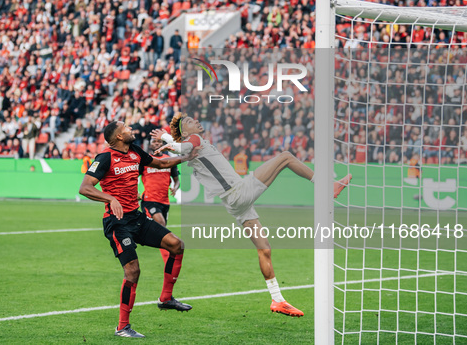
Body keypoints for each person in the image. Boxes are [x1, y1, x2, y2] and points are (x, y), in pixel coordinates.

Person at [151, 113, 353, 317]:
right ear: (185, 132)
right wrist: (170, 142)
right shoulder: (193, 141)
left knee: (264, 249)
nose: (194, 121)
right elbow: (184, 147)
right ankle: (329, 187)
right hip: (238, 193)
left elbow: (182, 151)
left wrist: (168, 141)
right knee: (285, 157)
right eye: (188, 122)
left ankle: (277, 300)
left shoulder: (193, 145)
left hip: (234, 203)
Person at [79, 121, 196, 339]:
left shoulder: (135, 152)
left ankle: (166, 299)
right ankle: (122, 327)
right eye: (126, 128)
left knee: (176, 245)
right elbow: (85, 187)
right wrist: (110, 198)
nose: (130, 130)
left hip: (137, 218)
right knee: (133, 271)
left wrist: (188, 157)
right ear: (118, 137)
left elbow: (161, 164)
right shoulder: (105, 157)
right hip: (117, 222)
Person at [140, 137, 180, 265]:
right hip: (149, 200)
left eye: (159, 142)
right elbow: (133, 176)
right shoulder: (145, 160)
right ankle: (169, 261)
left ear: (162, 145)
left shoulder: (168, 160)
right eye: (154, 142)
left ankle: (144, 234)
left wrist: (175, 187)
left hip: (164, 201)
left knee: (161, 232)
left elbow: (176, 179)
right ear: (150, 144)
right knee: (161, 225)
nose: (156, 144)